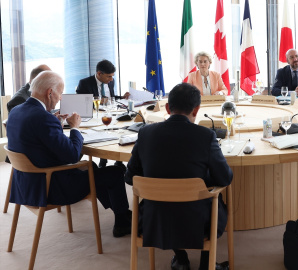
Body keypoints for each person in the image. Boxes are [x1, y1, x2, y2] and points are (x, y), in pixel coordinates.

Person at [7, 71, 131, 238]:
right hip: (50, 187)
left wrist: (57, 125)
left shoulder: (16, 111)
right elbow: (72, 155)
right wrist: (74, 128)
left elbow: (39, 142)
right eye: (60, 93)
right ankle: (123, 220)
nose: (61, 98)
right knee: (115, 172)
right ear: (50, 92)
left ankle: (122, 214)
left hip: (27, 184)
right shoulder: (43, 118)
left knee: (93, 168)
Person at [125, 83, 232, 270]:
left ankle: (181, 259)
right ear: (196, 110)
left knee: (169, 200)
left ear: (167, 108)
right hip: (198, 222)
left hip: (154, 219)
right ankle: (207, 264)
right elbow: (225, 178)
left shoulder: (145, 133)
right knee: (215, 199)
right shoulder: (206, 136)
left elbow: (130, 177)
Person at [77, 59, 128, 169]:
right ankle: (103, 160)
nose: (111, 79)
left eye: (112, 76)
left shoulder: (110, 82)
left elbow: (111, 98)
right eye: (109, 76)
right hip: (94, 117)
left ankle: (118, 161)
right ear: (99, 73)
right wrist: (99, 101)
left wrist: (122, 97)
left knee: (120, 129)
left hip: (110, 113)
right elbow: (81, 103)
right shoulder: (85, 83)